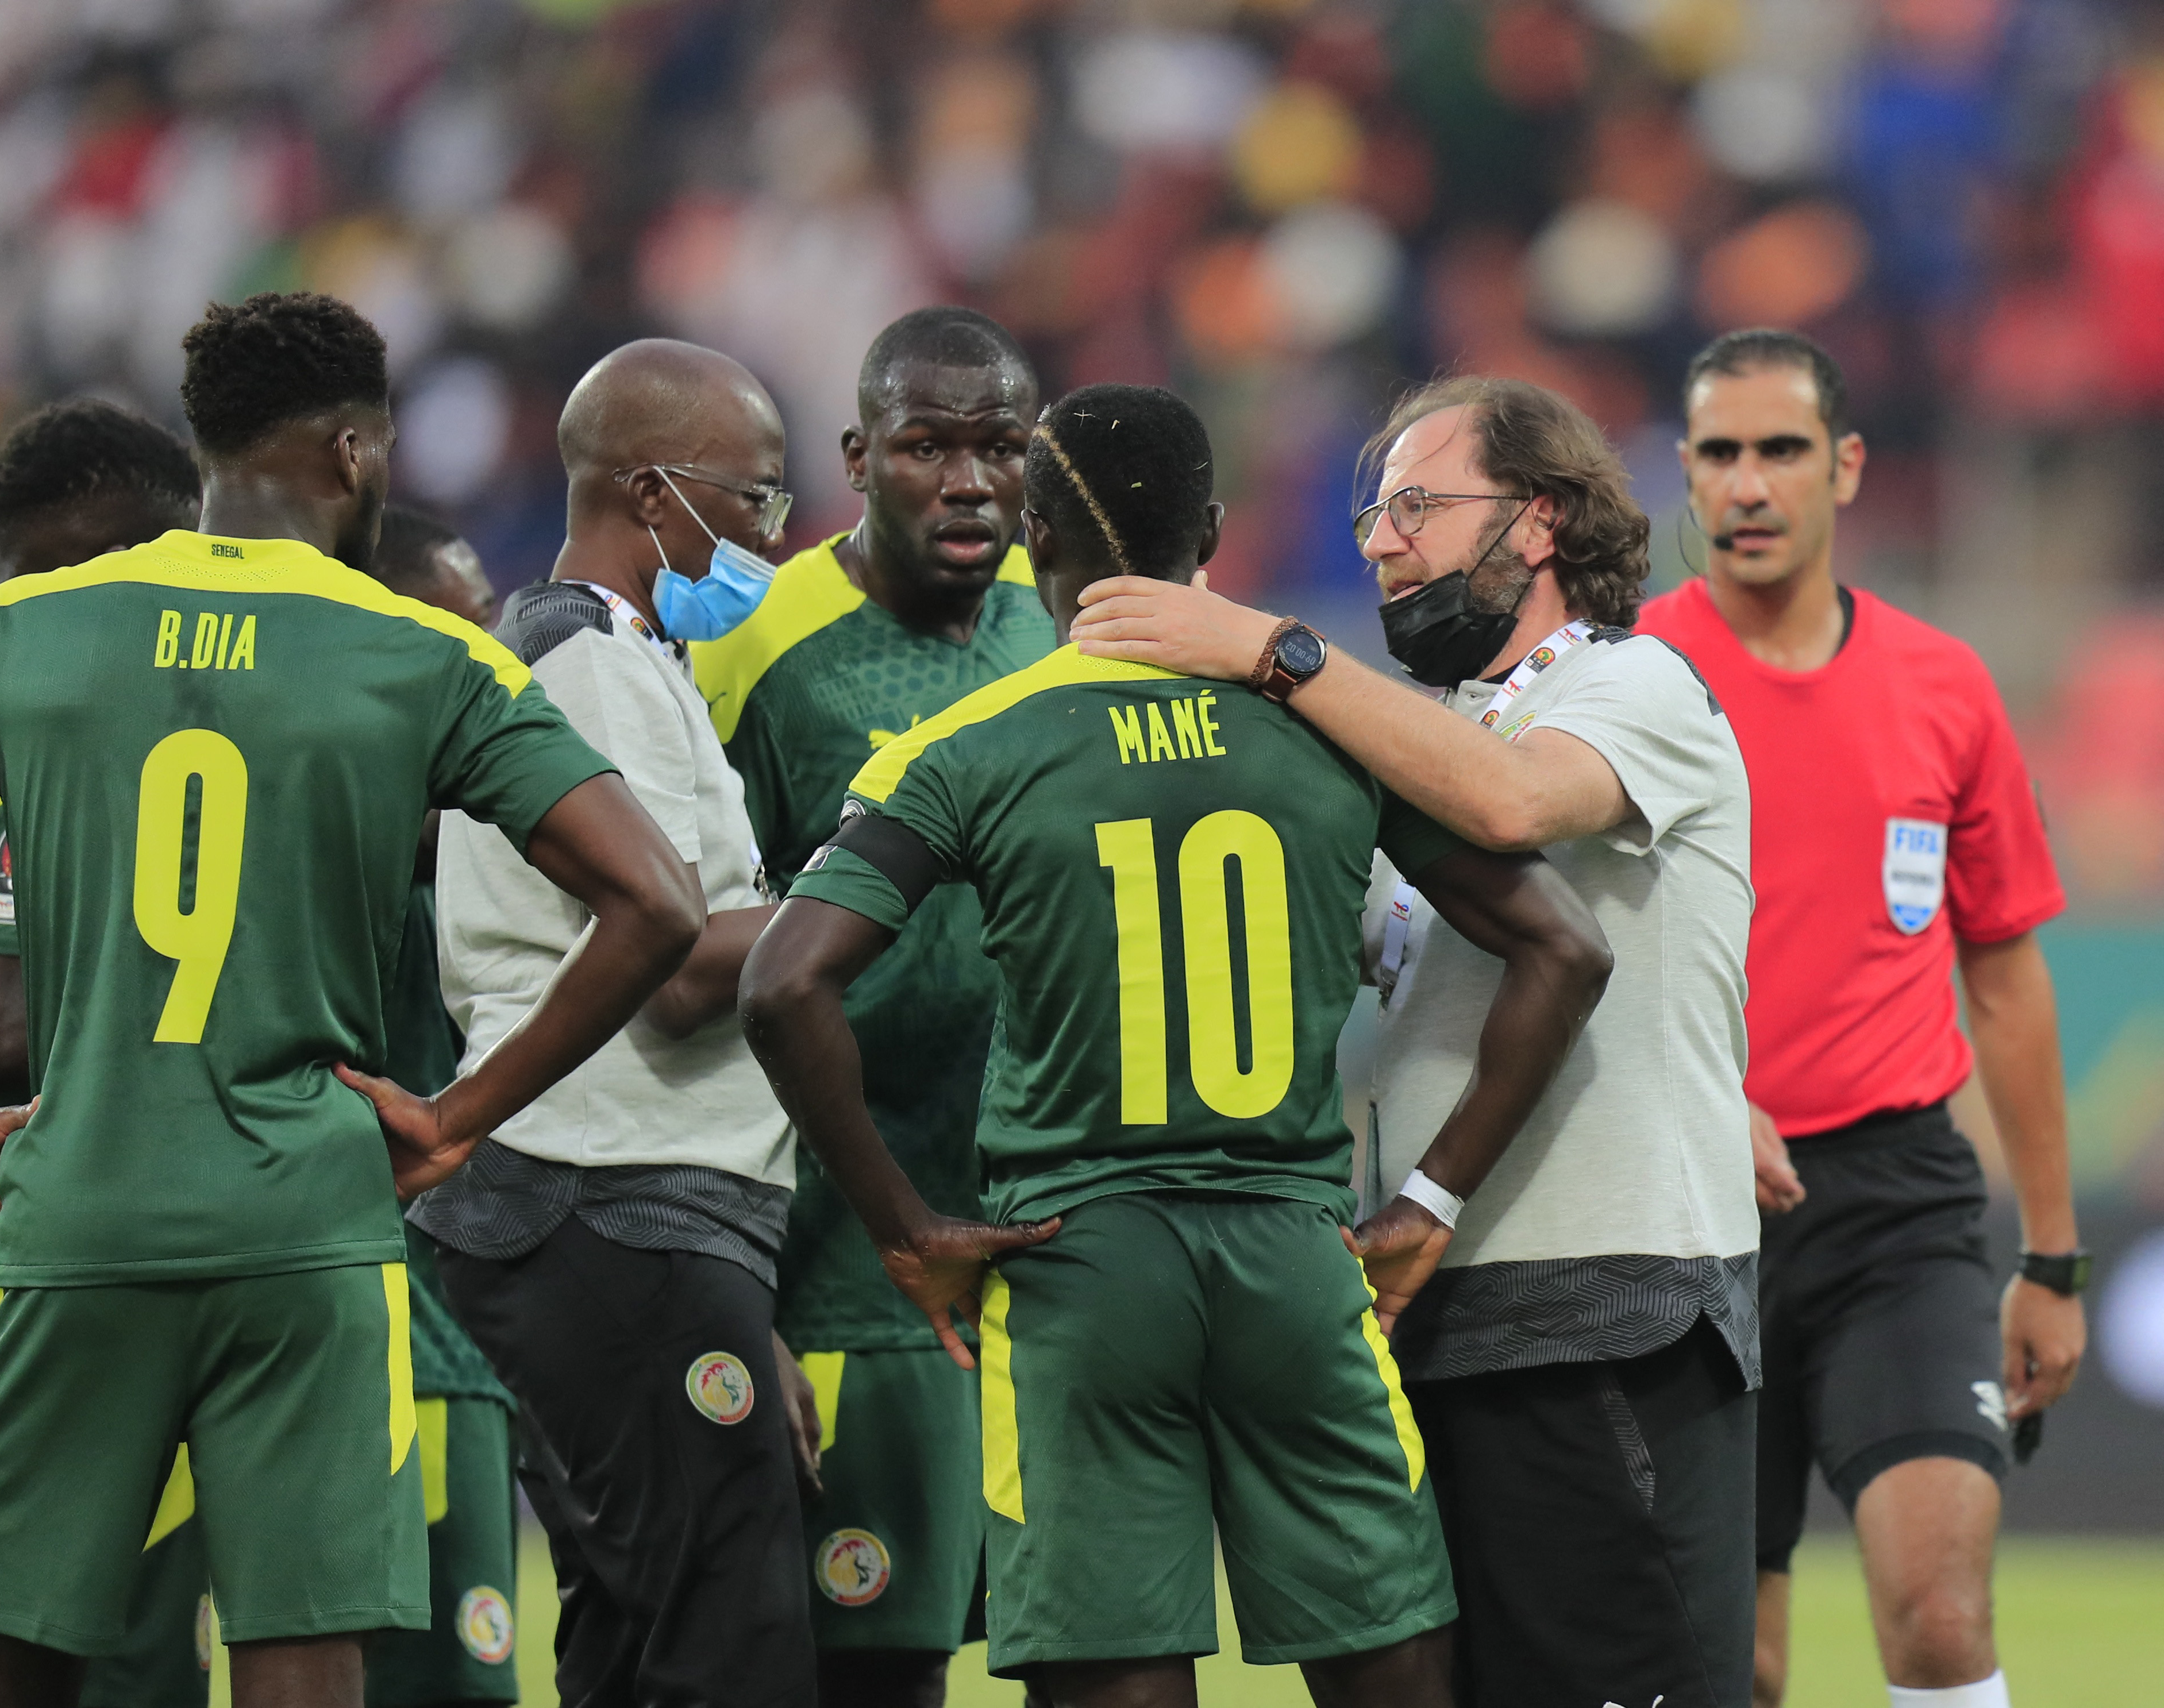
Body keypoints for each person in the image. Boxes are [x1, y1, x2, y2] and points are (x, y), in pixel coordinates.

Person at [0, 291, 703, 1708]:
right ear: (358, 452)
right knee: (299, 1660)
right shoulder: (423, 653)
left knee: (20, 1663)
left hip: (76, 1210)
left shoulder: (22, 630)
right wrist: (453, 1113)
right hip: (306, 1226)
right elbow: (657, 899)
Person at [743, 383, 1616, 1707]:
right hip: (1295, 1254)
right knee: (1391, 1670)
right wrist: (1432, 1192)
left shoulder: (963, 746)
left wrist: (904, 1224)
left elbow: (783, 982)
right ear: (1212, 529)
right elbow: (1565, 946)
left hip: (1077, 1270)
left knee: (1117, 1679)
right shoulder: (1336, 731)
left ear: (1036, 539)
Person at [1071, 375, 1761, 1708]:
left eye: (1416, 506)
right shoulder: (1422, 734)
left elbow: (1512, 805)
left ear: (1541, 518)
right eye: (1370, 515)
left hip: (1603, 1301)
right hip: (1425, 1307)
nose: (1380, 542)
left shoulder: (1638, 681)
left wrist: (1272, 652)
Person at [1638, 329, 2080, 1708]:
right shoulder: (1628, 681)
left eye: (1780, 450)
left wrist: (2054, 1260)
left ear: (1845, 467)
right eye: (1721, 453)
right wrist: (1709, 1093)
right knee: (1739, 1668)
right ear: (1685, 476)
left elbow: (2002, 976)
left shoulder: (1943, 685)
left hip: (1898, 1205)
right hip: (1685, 1206)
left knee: (1939, 1616)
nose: (1749, 484)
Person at [395, 338, 813, 1708]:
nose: (772, 531)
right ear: (653, 491)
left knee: (637, 1625)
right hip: (611, 1183)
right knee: (725, 1631)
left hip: (611, 1196)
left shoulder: (619, 653)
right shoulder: (586, 659)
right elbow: (683, 960)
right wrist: (878, 879)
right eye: (751, 499)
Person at [687, 305, 1052, 1705]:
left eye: (997, 449)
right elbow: (667, 955)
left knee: (1079, 1653)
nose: (965, 481)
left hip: (1038, 1244)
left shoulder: (1057, 632)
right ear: (858, 456)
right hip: (845, 1257)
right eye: (925, 447)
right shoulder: (756, 644)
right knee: (872, 1673)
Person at [0, 398, 215, 1708]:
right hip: (38, 1230)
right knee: (114, 1667)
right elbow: (1, 1028)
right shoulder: (31, 696)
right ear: (113, 559)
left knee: (30, 1666)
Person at [360, 505, 526, 1708]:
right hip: (405, 1335)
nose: (492, 663)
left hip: (470, 1327)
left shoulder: (479, 831)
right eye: (458, 632)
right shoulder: (385, 844)